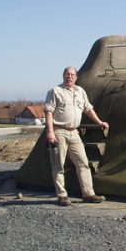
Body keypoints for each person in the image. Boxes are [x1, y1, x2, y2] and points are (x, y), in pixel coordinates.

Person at [44, 66, 109, 206]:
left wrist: (98, 122)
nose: (69, 77)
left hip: (74, 132)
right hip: (59, 131)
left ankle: (88, 194)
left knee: (83, 163)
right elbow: (48, 112)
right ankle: (62, 196)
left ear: (76, 77)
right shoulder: (55, 91)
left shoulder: (80, 91)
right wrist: (50, 132)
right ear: (63, 76)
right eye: (67, 74)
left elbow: (88, 108)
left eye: (72, 75)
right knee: (58, 164)